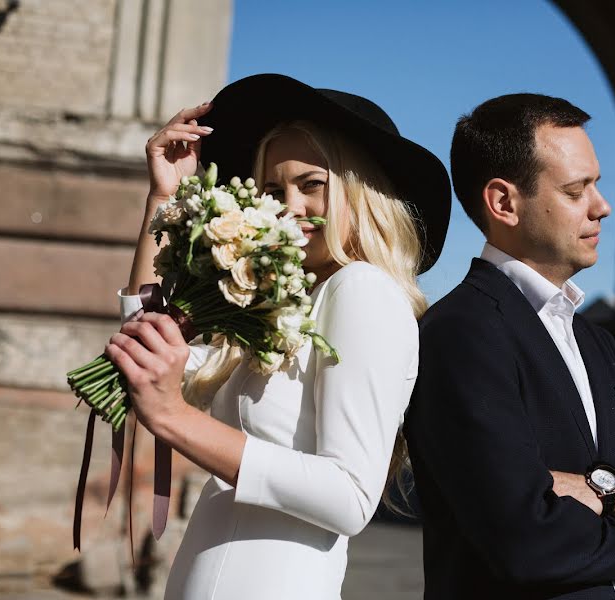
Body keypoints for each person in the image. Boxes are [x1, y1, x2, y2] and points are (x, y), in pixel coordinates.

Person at [105, 74, 450, 599]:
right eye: (272, 189)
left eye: (312, 184)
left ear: (363, 192)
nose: (288, 207)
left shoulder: (362, 291)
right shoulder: (277, 304)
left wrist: (175, 418)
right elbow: (144, 353)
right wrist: (164, 196)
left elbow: (350, 495)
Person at [404, 93, 615, 600]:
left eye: (597, 185)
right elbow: (524, 540)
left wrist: (606, 490)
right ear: (504, 202)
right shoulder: (461, 334)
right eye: (576, 190)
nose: (602, 207)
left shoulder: (595, 342)